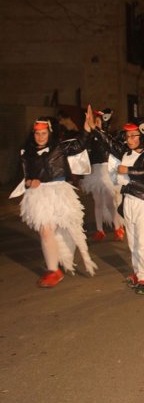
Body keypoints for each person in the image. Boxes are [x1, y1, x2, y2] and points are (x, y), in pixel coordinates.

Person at [88, 107, 144, 295]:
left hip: (143, 200)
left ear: (141, 135)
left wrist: (130, 172)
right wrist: (95, 129)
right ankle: (137, 273)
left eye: (134, 136)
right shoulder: (124, 153)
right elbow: (109, 143)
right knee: (133, 240)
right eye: (127, 136)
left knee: (143, 241)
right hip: (128, 200)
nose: (130, 140)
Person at [13, 109, 98, 288]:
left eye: (44, 133)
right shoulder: (26, 152)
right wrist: (30, 182)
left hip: (59, 192)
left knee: (66, 231)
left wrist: (87, 129)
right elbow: (25, 176)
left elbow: (80, 144)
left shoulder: (60, 147)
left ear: (49, 133)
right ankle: (53, 270)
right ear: (33, 134)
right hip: (39, 195)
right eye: (37, 133)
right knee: (45, 231)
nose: (40, 137)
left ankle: (62, 258)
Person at [80, 108, 125, 241]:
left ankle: (118, 228)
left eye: (98, 122)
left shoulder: (106, 136)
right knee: (98, 202)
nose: (96, 124)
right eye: (95, 122)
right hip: (94, 172)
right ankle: (100, 230)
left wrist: (96, 129)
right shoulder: (90, 137)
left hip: (106, 171)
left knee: (110, 202)